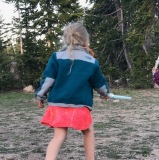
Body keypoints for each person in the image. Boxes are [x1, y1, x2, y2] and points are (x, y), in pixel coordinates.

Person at [36, 22, 109, 160]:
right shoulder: (91, 61)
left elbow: (48, 79)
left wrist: (40, 95)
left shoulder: (56, 57)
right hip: (79, 104)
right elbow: (98, 82)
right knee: (87, 131)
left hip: (58, 104)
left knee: (59, 136)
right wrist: (104, 93)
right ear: (85, 40)